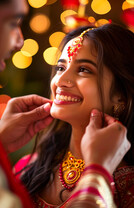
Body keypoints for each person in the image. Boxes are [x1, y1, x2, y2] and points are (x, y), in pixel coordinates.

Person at [14, 23, 134, 208]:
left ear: (120, 96)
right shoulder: (29, 167)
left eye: (84, 70)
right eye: (61, 68)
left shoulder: (129, 187)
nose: (60, 81)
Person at [0, 0, 53, 207]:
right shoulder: (29, 168)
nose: (20, 41)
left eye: (84, 70)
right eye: (13, 21)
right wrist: (97, 172)